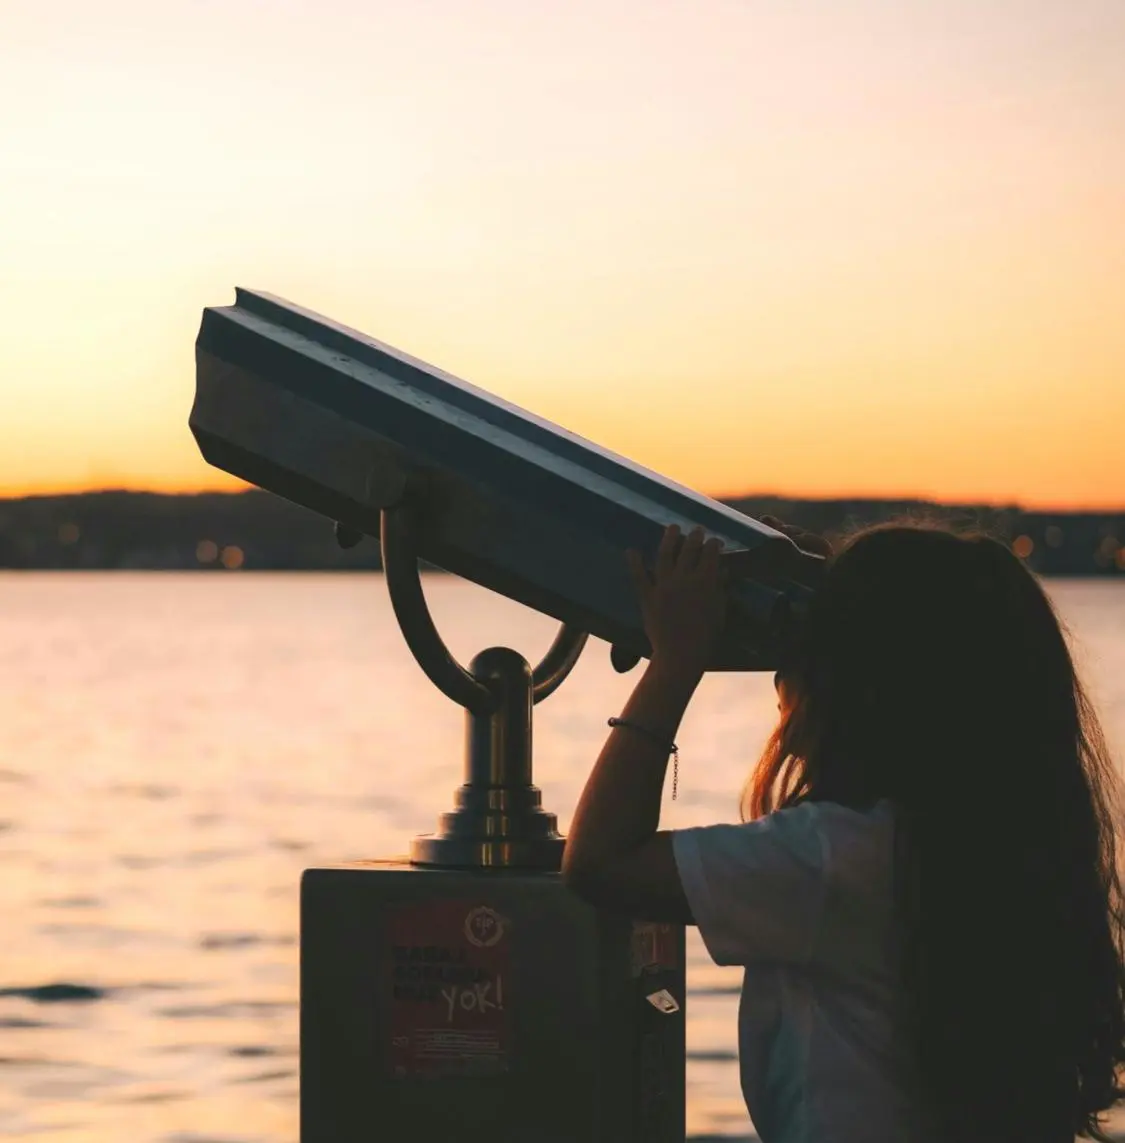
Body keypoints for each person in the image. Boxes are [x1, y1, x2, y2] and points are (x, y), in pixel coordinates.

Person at [562, 518, 1125, 1143]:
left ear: (865, 687)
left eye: (813, 649)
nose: (784, 676)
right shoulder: (1009, 847)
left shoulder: (838, 859)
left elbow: (601, 861)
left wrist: (674, 664)